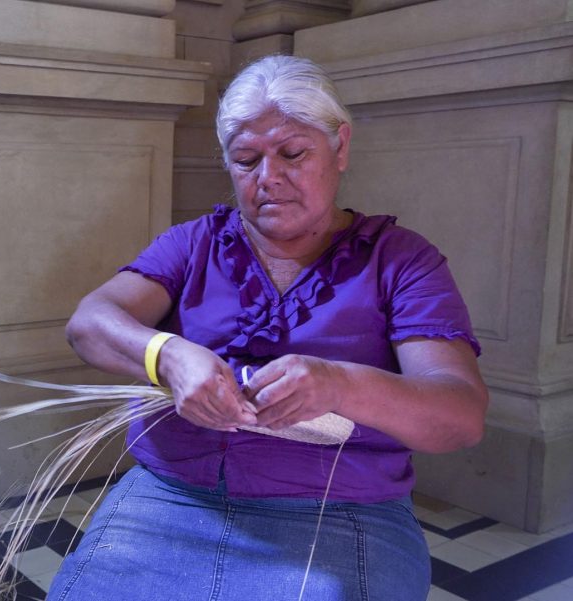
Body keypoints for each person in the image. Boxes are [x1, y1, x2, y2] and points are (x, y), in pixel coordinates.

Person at [46, 55, 489, 601]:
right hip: (171, 497)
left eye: (293, 153)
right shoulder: (195, 244)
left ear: (341, 147)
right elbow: (89, 323)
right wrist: (168, 354)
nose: (268, 179)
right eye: (245, 160)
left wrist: (338, 384)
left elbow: (460, 417)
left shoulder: (399, 261)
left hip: (339, 509)